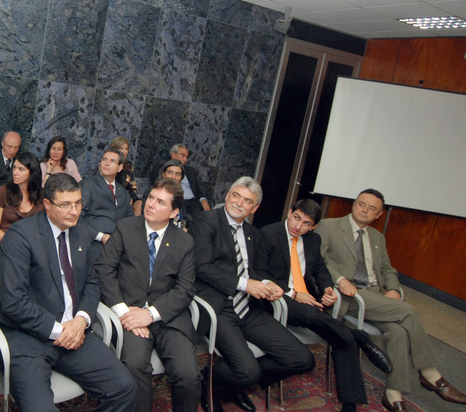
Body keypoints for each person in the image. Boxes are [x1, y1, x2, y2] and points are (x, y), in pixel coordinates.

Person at [0, 173, 136, 411]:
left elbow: (92, 282)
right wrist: (60, 330)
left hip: (75, 331)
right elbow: (13, 301)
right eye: (66, 205)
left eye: (78, 203)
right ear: (47, 204)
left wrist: (81, 320)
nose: (74, 211)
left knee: (125, 388)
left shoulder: (81, 231)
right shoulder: (20, 237)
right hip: (29, 337)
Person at [317, 189, 466, 412]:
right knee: (408, 311)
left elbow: (387, 269)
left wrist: (394, 288)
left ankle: (393, 394)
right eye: (361, 204)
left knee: (398, 331)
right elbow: (318, 260)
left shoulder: (377, 237)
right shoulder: (329, 226)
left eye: (371, 208)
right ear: (354, 204)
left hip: (375, 295)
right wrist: (340, 279)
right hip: (350, 294)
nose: (364, 210)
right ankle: (430, 374)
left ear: (378, 215)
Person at [190, 176, 313, 412]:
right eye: (236, 196)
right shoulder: (206, 220)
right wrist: (245, 284)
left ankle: (226, 383)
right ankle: (219, 383)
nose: (238, 203)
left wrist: (267, 284)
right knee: (247, 371)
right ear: (227, 195)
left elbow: (254, 271)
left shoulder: (252, 233)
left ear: (254, 208)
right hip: (220, 308)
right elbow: (201, 267)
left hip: (250, 307)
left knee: (302, 359)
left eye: (247, 201)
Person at [258, 199, 393, 412]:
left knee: (340, 337)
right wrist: (294, 293)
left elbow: (321, 270)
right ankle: (357, 336)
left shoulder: (313, 240)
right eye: (296, 218)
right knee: (322, 320)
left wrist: (328, 288)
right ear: (290, 212)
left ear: (313, 227)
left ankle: (350, 404)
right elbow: (260, 273)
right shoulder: (268, 234)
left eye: (306, 223)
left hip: (309, 299)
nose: (298, 226)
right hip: (277, 297)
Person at [95, 178, 202, 412]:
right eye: (151, 197)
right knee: (134, 367)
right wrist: (124, 312)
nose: (151, 204)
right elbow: (104, 269)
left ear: (174, 212)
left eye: (160, 202)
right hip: (131, 313)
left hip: (168, 317)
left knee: (188, 375)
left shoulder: (184, 241)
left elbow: (185, 288)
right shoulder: (125, 227)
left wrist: (151, 314)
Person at [79, 149, 135, 261]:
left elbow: (130, 219)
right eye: (104, 159)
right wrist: (101, 236)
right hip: (94, 242)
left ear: (120, 167)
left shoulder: (122, 191)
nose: (107, 163)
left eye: (112, 161)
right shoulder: (88, 185)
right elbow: (78, 218)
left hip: (119, 244)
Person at [0, 151, 45, 242]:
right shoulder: (2, 192)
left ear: (32, 173)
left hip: (33, 244)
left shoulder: (42, 195)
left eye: (21, 169)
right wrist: (13, 244)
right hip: (7, 241)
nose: (15, 172)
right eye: (14, 168)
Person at [151, 144, 211, 219]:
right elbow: (156, 187)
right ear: (173, 155)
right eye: (182, 155)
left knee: (201, 219)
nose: (185, 159)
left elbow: (198, 189)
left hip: (192, 203)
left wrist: (203, 200)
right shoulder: (160, 169)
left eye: (186, 157)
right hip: (173, 201)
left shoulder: (190, 171)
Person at [141, 160, 194, 229]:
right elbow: (147, 217)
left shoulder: (178, 194)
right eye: (170, 172)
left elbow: (185, 216)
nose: (173, 177)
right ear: (163, 174)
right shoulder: (152, 192)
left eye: (177, 174)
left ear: (181, 178)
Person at [109, 136, 141, 215]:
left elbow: (132, 185)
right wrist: (124, 198)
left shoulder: (129, 165)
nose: (124, 151)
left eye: (126, 149)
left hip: (126, 196)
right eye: (121, 148)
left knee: (140, 204)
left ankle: (135, 223)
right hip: (112, 196)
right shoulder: (107, 164)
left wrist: (134, 198)